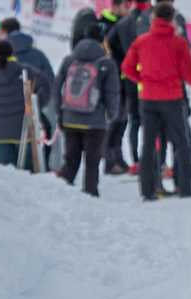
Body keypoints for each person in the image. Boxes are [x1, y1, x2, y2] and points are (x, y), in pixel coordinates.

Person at [121, 1, 191, 200]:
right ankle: (185, 187)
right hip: (172, 98)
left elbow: (126, 67)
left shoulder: (141, 41)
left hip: (148, 99)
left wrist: (142, 80)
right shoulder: (178, 42)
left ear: (154, 19)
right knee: (181, 143)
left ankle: (148, 190)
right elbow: (186, 71)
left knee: (149, 144)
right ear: (171, 19)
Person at [56, 23, 120, 197]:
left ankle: (60, 195)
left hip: (70, 117)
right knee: (92, 162)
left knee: (71, 160)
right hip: (95, 121)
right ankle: (90, 195)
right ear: (102, 39)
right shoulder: (106, 63)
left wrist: (60, 113)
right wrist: (111, 115)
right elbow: (112, 93)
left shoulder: (69, 60)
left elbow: (57, 87)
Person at [0, 18, 55, 169]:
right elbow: (49, 82)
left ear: (3, 33)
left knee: (5, 166)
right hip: (29, 115)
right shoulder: (38, 55)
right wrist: (35, 106)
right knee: (45, 132)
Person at [0, 39, 49, 169]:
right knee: (26, 176)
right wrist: (36, 105)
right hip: (23, 129)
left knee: (7, 176)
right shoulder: (24, 70)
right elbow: (45, 85)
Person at [113, 1, 153, 174]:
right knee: (151, 120)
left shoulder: (123, 22)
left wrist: (122, 59)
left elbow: (111, 43)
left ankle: (136, 160)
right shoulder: (150, 19)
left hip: (129, 77)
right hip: (148, 76)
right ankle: (152, 159)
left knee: (135, 120)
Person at [102, 0, 133, 174]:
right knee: (113, 121)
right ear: (115, 7)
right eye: (125, 7)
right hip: (112, 79)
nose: (128, 10)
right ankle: (109, 161)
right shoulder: (105, 24)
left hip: (124, 78)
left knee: (122, 121)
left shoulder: (124, 24)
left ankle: (118, 157)